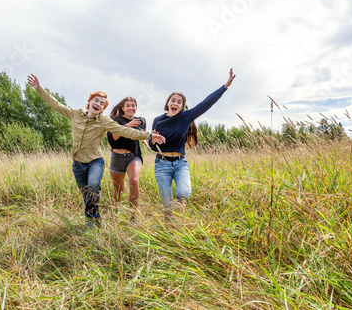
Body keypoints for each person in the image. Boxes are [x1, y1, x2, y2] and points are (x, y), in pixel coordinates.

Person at [27, 74, 166, 228]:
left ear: (103, 108)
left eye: (102, 103)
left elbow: (126, 132)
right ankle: (94, 218)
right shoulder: (75, 114)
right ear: (89, 101)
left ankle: (91, 221)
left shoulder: (104, 121)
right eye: (96, 100)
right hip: (77, 163)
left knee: (93, 185)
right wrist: (39, 89)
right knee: (87, 194)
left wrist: (149, 136)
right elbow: (56, 105)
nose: (98, 104)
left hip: (95, 162)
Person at [149, 69, 236, 218]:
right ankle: (169, 229)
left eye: (179, 101)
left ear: (182, 106)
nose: (175, 103)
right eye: (173, 100)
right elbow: (153, 147)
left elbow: (206, 103)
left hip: (180, 163)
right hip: (162, 164)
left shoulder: (186, 117)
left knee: (184, 192)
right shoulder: (158, 120)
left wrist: (225, 86)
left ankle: (181, 203)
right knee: (167, 205)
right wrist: (152, 140)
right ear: (168, 103)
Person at [107, 97, 149, 222]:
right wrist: (126, 126)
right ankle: (116, 210)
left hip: (133, 155)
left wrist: (146, 141)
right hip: (117, 157)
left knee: (134, 181)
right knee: (118, 189)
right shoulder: (117, 120)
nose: (131, 108)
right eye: (128, 106)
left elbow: (142, 134)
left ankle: (133, 216)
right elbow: (114, 138)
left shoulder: (141, 120)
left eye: (133, 105)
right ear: (123, 108)